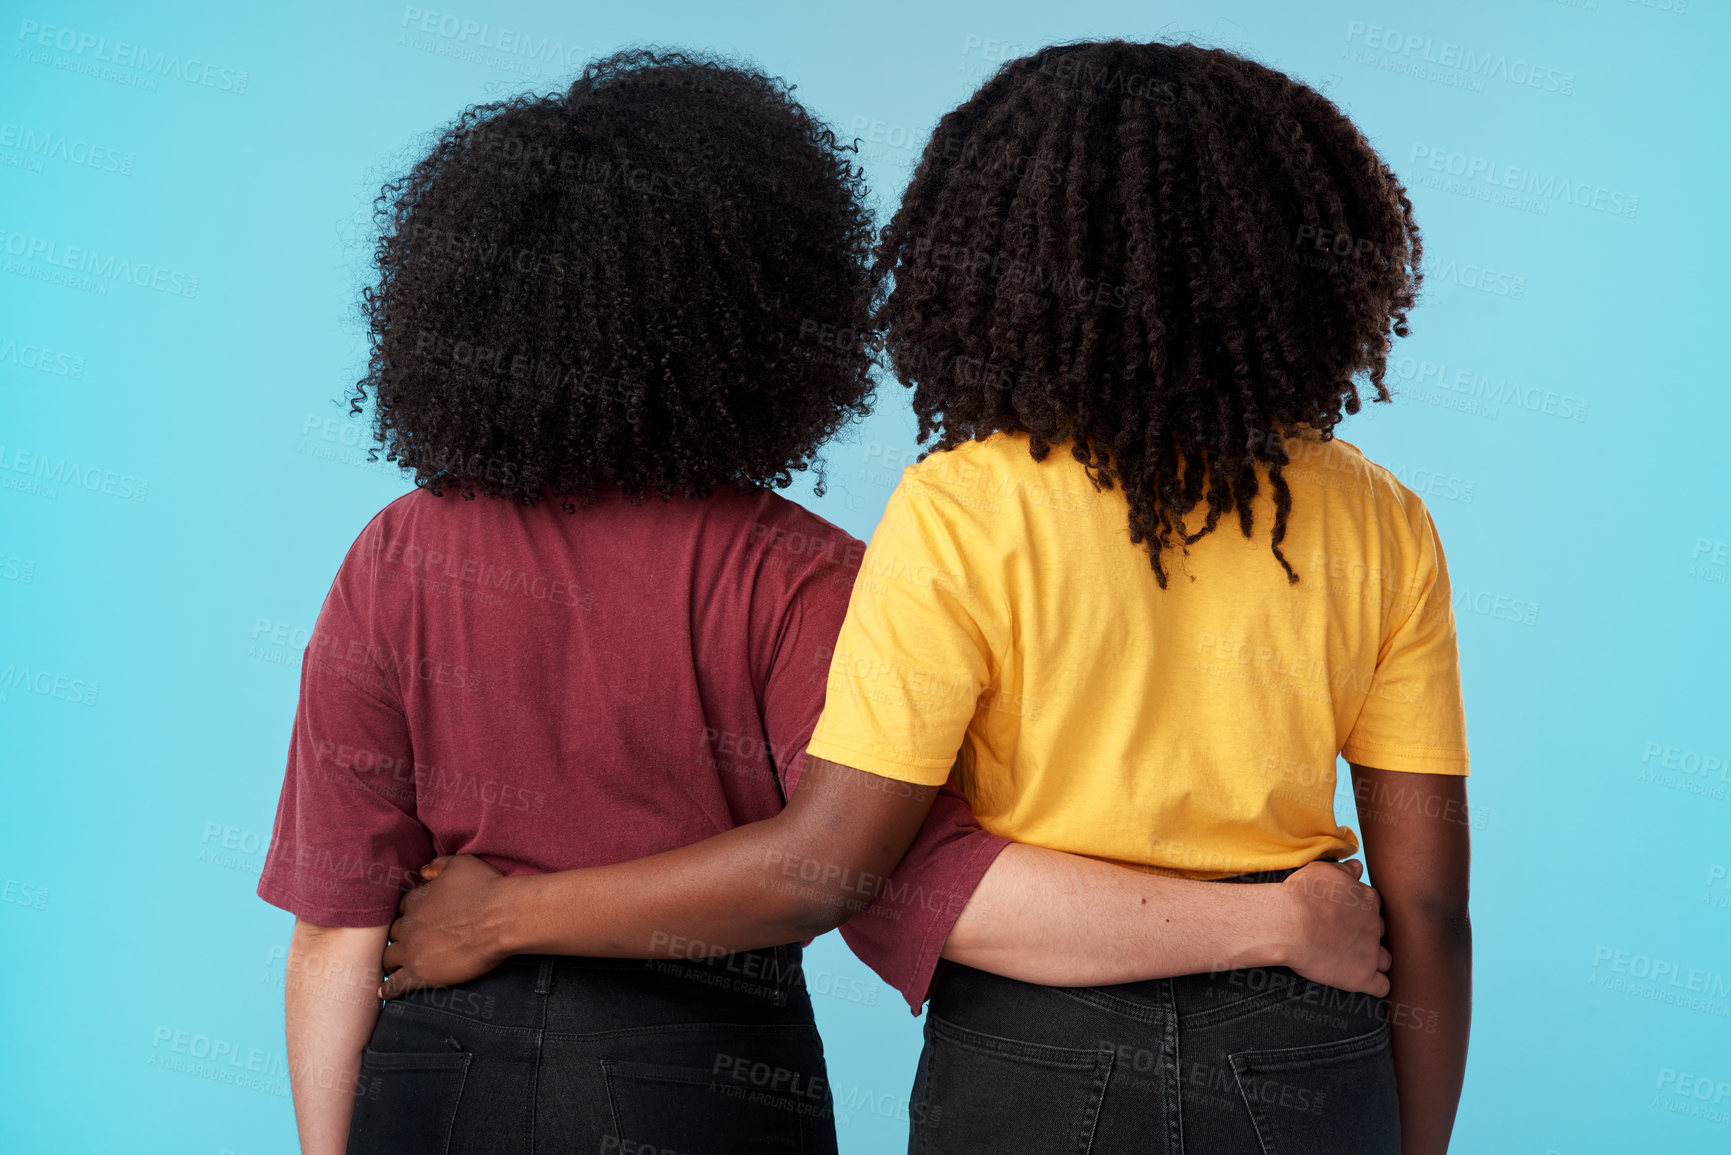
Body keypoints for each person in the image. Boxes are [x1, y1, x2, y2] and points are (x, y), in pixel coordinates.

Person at [259, 46, 1390, 1155]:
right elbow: (892, 877)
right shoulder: (802, 575)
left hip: (432, 1075)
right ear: (775, 307)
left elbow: (336, 922)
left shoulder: (395, 554)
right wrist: (1269, 920)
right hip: (700, 1080)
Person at [799, 40, 1473, 1155]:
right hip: (1306, 1032)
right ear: (1295, 263)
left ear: (993, 251)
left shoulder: (960, 506)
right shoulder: (1379, 517)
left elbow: (845, 850)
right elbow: (1432, 905)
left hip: (1033, 1040)